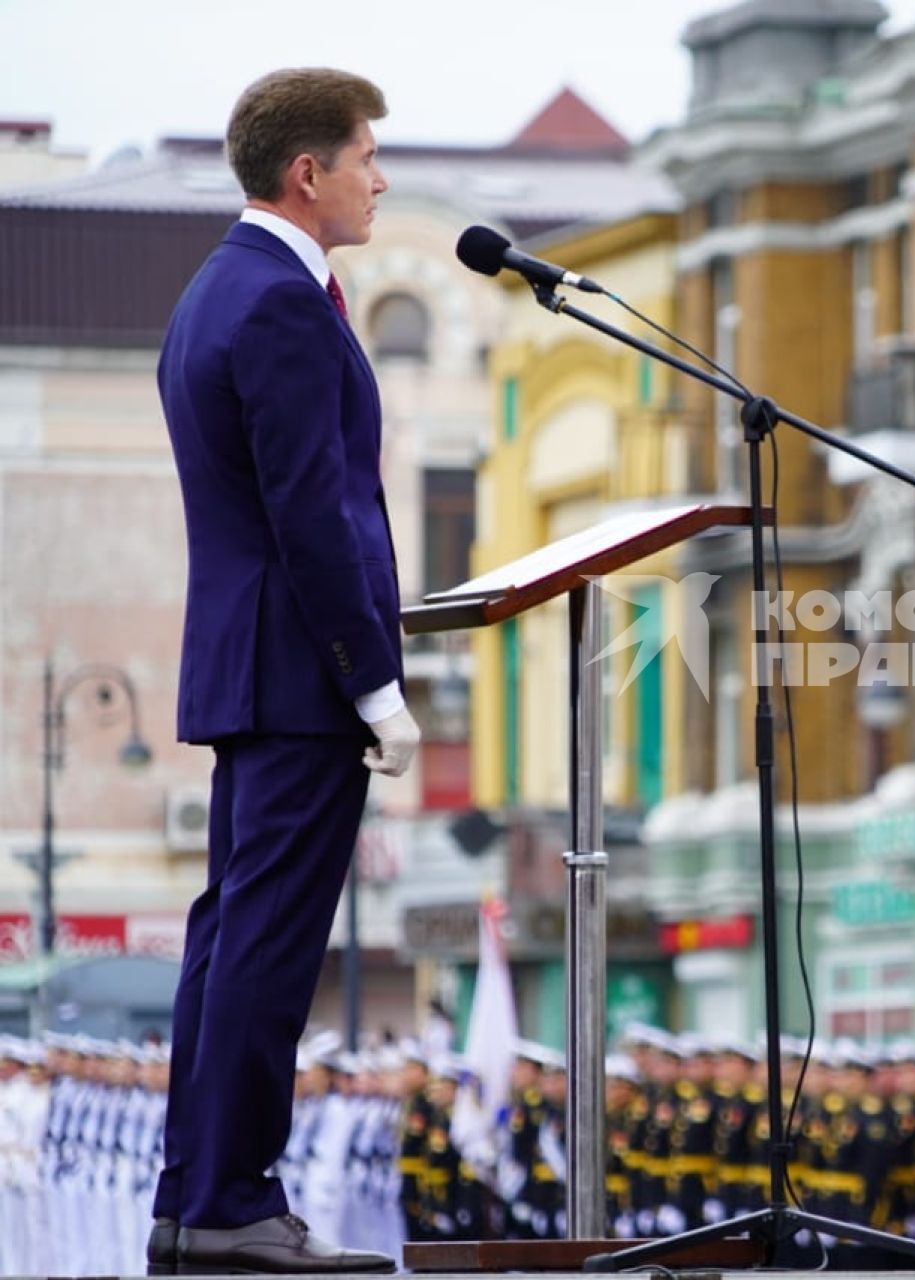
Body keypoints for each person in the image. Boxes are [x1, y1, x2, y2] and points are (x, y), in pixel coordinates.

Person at [150, 66, 418, 1276]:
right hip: (299, 674)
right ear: (306, 173)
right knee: (265, 943)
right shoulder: (279, 305)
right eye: (366, 155)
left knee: (231, 937)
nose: (380, 177)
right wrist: (372, 679)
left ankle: (199, 1194)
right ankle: (234, 1201)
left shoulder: (221, 289)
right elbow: (314, 511)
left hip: (253, 669)